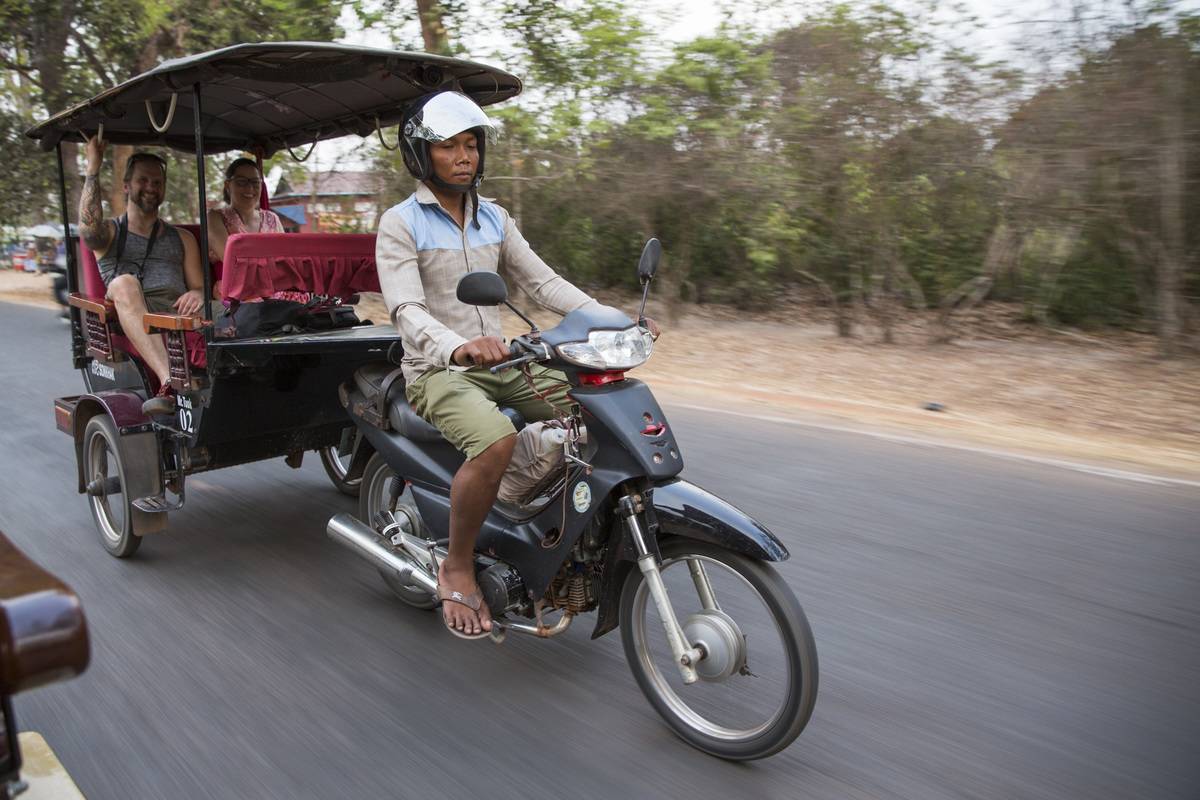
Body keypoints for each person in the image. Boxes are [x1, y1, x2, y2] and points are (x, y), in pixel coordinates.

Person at [376, 91, 659, 639]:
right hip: (438, 370)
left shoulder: (496, 218)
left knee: (597, 409)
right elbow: (406, 309)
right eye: (448, 147)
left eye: (470, 145)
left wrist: (618, 321)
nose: (464, 157)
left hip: (507, 360)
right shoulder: (401, 222)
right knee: (497, 439)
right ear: (420, 155)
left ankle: (566, 533)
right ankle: (457, 565)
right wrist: (455, 347)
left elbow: (545, 284)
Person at [78, 134, 203, 415]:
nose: (151, 188)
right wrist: (93, 169)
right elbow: (87, 228)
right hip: (132, 312)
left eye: (157, 182)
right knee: (124, 282)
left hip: (175, 314)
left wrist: (198, 292)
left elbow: (197, 286)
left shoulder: (181, 238)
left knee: (236, 308)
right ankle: (170, 379)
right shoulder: (110, 232)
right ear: (126, 186)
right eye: (143, 181)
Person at [206, 158, 285, 299]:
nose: (249, 189)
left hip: (274, 289)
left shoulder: (272, 219)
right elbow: (232, 259)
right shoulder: (215, 217)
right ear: (228, 185)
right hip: (236, 292)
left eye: (255, 182)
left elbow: (285, 261)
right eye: (242, 182)